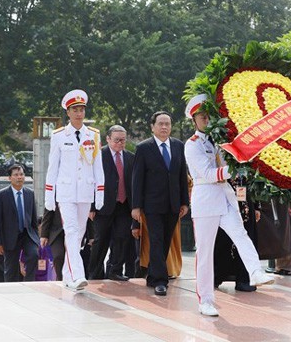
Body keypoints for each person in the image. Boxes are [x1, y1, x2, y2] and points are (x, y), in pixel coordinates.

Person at [183, 94, 274, 315]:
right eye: (202, 117)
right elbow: (206, 173)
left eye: (208, 116)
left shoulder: (220, 141)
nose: (206, 120)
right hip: (205, 200)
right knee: (205, 252)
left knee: (241, 234)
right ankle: (205, 300)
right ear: (194, 120)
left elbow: (229, 162)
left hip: (224, 197)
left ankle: (255, 271)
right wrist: (232, 169)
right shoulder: (192, 145)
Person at [44, 89, 104, 291]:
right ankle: (78, 274)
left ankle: (67, 275)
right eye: (75, 110)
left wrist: (100, 191)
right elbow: (53, 166)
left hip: (85, 191)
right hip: (66, 192)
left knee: (79, 234)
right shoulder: (59, 135)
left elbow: (97, 165)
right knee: (70, 231)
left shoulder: (93, 135)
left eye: (81, 109)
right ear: (68, 113)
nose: (79, 113)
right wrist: (49, 195)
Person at [131, 110, 189, 296]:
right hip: (152, 205)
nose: (164, 127)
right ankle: (160, 281)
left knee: (165, 241)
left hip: (173, 204)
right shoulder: (143, 148)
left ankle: (153, 275)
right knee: (155, 240)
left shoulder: (179, 146)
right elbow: (137, 179)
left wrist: (184, 203)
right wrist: (136, 206)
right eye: (161, 124)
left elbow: (182, 176)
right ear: (152, 127)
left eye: (167, 124)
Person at [88, 125, 134, 281]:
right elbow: (91, 182)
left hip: (124, 205)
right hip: (103, 205)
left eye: (123, 140)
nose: (120, 143)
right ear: (107, 139)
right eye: (116, 140)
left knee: (122, 238)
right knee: (100, 241)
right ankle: (94, 274)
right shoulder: (99, 156)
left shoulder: (130, 157)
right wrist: (92, 206)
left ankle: (114, 270)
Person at [0, 165, 39, 282]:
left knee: (34, 255)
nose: (19, 177)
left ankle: (29, 283)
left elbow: (33, 217)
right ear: (10, 178)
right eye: (16, 175)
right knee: (11, 268)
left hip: (27, 234)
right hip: (10, 236)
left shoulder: (30, 193)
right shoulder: (1, 195)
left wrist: (36, 237)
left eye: (22, 174)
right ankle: (10, 291)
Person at [40, 205, 65, 281]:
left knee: (70, 258)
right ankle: (61, 280)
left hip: (73, 232)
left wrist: (91, 235)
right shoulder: (53, 194)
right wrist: (44, 235)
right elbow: (47, 214)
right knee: (58, 256)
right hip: (56, 233)